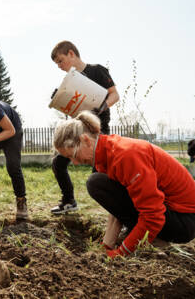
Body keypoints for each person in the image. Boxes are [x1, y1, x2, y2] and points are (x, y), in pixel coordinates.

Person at [53, 110, 195, 258]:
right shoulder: (106, 155)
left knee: (96, 183)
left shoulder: (125, 156)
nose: (74, 162)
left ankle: (156, 240)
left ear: (86, 140)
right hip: (170, 213)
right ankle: (144, 237)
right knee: (97, 183)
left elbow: (153, 215)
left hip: (184, 221)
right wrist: (107, 246)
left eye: (73, 155)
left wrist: (120, 254)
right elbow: (117, 207)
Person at [50, 40, 120, 214]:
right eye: (56, 63)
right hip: (79, 131)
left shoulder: (97, 70)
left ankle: (120, 213)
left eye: (60, 60)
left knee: (101, 175)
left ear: (71, 54)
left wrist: (101, 107)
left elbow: (115, 95)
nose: (59, 66)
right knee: (58, 162)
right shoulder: (69, 82)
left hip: (99, 130)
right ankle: (69, 201)